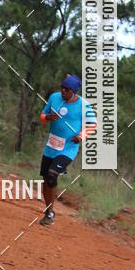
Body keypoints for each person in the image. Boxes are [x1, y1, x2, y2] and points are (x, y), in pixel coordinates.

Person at [38, 73, 97, 226]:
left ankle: (50, 213)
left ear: (74, 92)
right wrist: (48, 118)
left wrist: (82, 135)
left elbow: (93, 124)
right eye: (62, 88)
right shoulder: (54, 98)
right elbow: (42, 116)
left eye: (67, 90)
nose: (63, 92)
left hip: (68, 148)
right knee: (45, 179)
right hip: (51, 147)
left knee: (52, 176)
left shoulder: (84, 105)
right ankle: (48, 210)